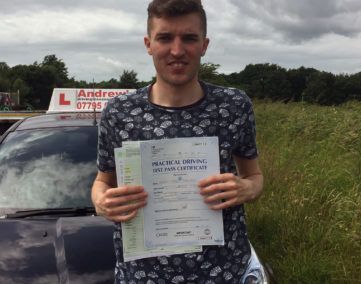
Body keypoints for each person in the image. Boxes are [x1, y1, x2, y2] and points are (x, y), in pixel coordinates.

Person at [91, 0, 263, 282]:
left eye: (189, 38)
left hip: (225, 274)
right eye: (165, 38)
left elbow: (255, 177)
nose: (177, 50)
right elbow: (102, 182)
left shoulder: (234, 105)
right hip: (142, 276)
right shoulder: (119, 112)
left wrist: (245, 189)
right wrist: (101, 202)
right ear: (148, 44)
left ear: (204, 45)